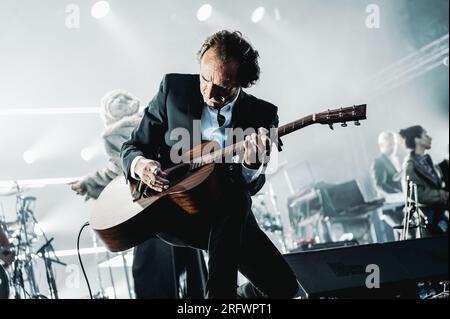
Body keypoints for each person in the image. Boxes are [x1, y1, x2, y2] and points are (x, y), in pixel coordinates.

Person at [121, 30, 299, 299]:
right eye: (205, 78)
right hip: (174, 211)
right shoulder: (174, 89)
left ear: (243, 82)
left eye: (224, 86)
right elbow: (132, 147)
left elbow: (251, 186)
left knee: (284, 287)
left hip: (227, 218)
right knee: (237, 200)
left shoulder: (262, 115)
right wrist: (142, 166)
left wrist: (250, 166)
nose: (210, 91)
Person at [70, 90, 206, 298]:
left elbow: (119, 172)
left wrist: (89, 183)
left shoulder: (113, 135)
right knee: (192, 268)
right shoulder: (150, 119)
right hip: (179, 201)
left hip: (148, 208)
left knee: (153, 276)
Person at [399, 125, 449, 236]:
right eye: (425, 135)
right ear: (417, 139)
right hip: (429, 221)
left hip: (439, 214)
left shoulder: (427, 160)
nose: (430, 138)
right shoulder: (410, 165)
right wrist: (443, 195)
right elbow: (416, 194)